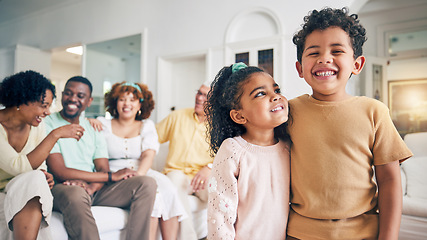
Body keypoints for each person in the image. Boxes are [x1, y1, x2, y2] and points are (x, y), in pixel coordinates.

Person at [287, 7, 413, 240]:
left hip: (363, 233)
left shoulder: (374, 111)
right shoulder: (288, 111)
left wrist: (389, 237)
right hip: (299, 233)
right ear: (300, 69)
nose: (324, 58)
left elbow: (389, 180)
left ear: (357, 64)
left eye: (337, 50)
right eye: (313, 53)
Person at [44, 76, 157, 240]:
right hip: (62, 186)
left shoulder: (93, 127)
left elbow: (102, 168)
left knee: (146, 183)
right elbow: (60, 171)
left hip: (92, 189)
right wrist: (110, 176)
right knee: (76, 193)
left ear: (89, 101)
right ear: (62, 95)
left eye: (80, 96)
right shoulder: (48, 124)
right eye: (68, 93)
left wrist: (91, 187)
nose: (73, 99)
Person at [90, 81, 187, 240]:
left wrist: (139, 174)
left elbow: (149, 154)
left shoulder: (146, 126)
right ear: (115, 103)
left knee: (169, 190)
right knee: (154, 195)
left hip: (142, 170)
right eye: (122, 99)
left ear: (140, 105)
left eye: (132, 100)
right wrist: (89, 122)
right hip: (113, 172)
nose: (127, 103)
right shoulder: (103, 124)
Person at [204, 62, 291, 239]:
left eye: (276, 90)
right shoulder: (233, 150)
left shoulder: (289, 147)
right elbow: (219, 216)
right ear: (239, 115)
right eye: (260, 94)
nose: (275, 97)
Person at [0, 70, 84, 240]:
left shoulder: (38, 126)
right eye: (43, 105)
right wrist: (55, 135)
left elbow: (39, 166)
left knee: (37, 180)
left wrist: (45, 176)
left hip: (21, 188)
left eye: (49, 106)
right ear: (22, 100)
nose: (47, 112)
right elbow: (17, 167)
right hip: (4, 190)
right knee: (33, 182)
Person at [156, 82, 213, 240]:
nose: (199, 98)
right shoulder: (177, 116)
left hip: (204, 176)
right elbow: (151, 137)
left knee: (221, 193)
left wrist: (210, 167)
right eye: (199, 93)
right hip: (177, 174)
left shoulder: (220, 127)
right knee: (174, 183)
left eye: (205, 95)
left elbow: (228, 154)